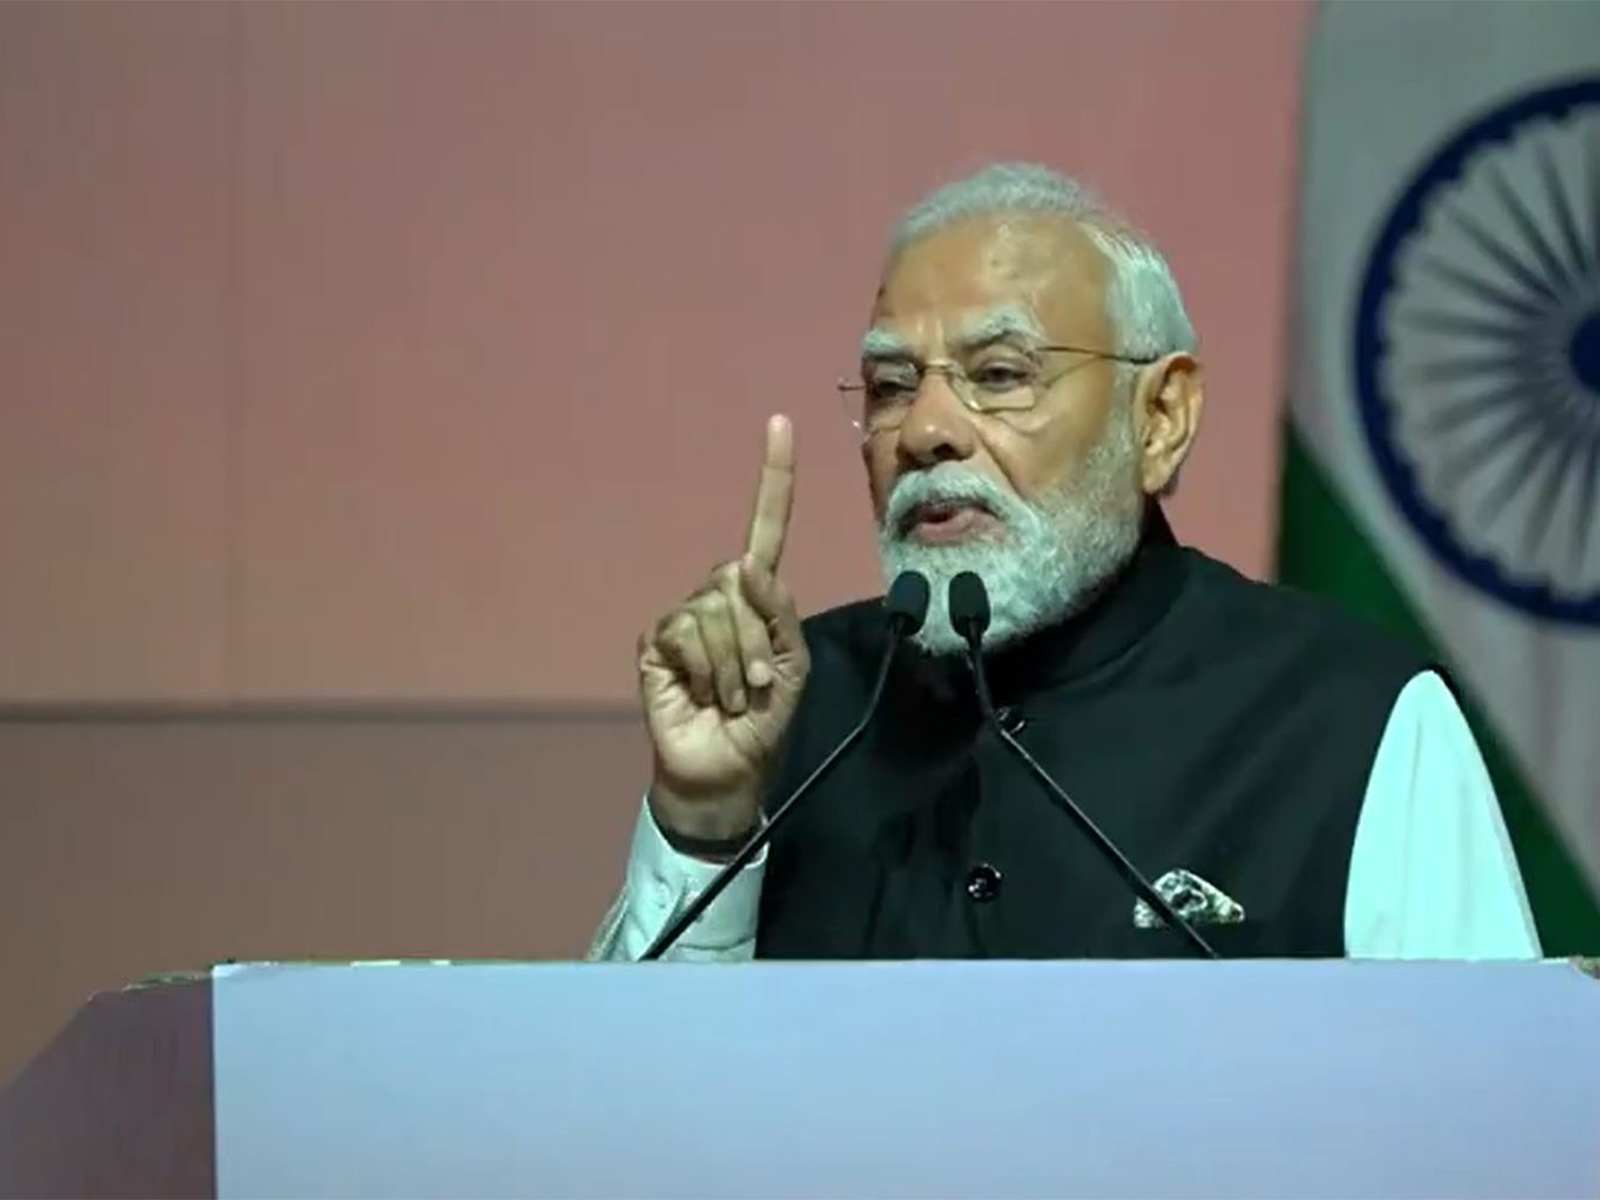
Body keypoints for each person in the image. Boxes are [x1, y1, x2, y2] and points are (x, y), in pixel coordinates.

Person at [590, 162, 1541, 962]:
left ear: (1158, 418)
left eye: (999, 375)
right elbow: (626, 1116)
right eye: (888, 386)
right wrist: (705, 817)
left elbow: (1498, 1130)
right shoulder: (792, 711)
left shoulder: (1352, 721)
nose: (922, 430)